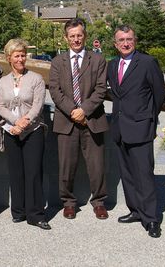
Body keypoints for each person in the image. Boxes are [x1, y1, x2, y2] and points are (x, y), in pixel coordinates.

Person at [107, 25, 165, 238]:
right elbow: (116, 94)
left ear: (135, 41)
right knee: (128, 174)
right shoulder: (112, 65)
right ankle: (135, 210)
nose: (125, 43)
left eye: (129, 39)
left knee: (144, 175)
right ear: (115, 44)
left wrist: (148, 118)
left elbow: (159, 94)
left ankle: (150, 218)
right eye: (121, 40)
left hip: (140, 127)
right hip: (120, 128)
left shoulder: (148, 63)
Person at [49, 18, 109, 220]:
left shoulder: (98, 60)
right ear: (66, 38)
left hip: (92, 121)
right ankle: (68, 202)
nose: (76, 39)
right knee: (66, 166)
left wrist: (84, 110)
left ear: (85, 36)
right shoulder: (58, 62)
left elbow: (101, 90)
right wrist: (74, 111)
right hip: (66, 121)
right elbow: (55, 92)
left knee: (97, 166)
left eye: (79, 35)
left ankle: (99, 202)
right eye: (72, 36)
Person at [0, 39, 51, 230]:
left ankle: (36, 214)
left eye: (23, 55)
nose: (20, 59)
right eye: (16, 55)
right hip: (11, 131)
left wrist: (24, 122)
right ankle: (18, 211)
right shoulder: (3, 81)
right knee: (16, 172)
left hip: (33, 130)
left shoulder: (36, 78)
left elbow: (37, 105)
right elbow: (0, 106)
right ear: (9, 58)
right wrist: (14, 121)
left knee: (33, 172)